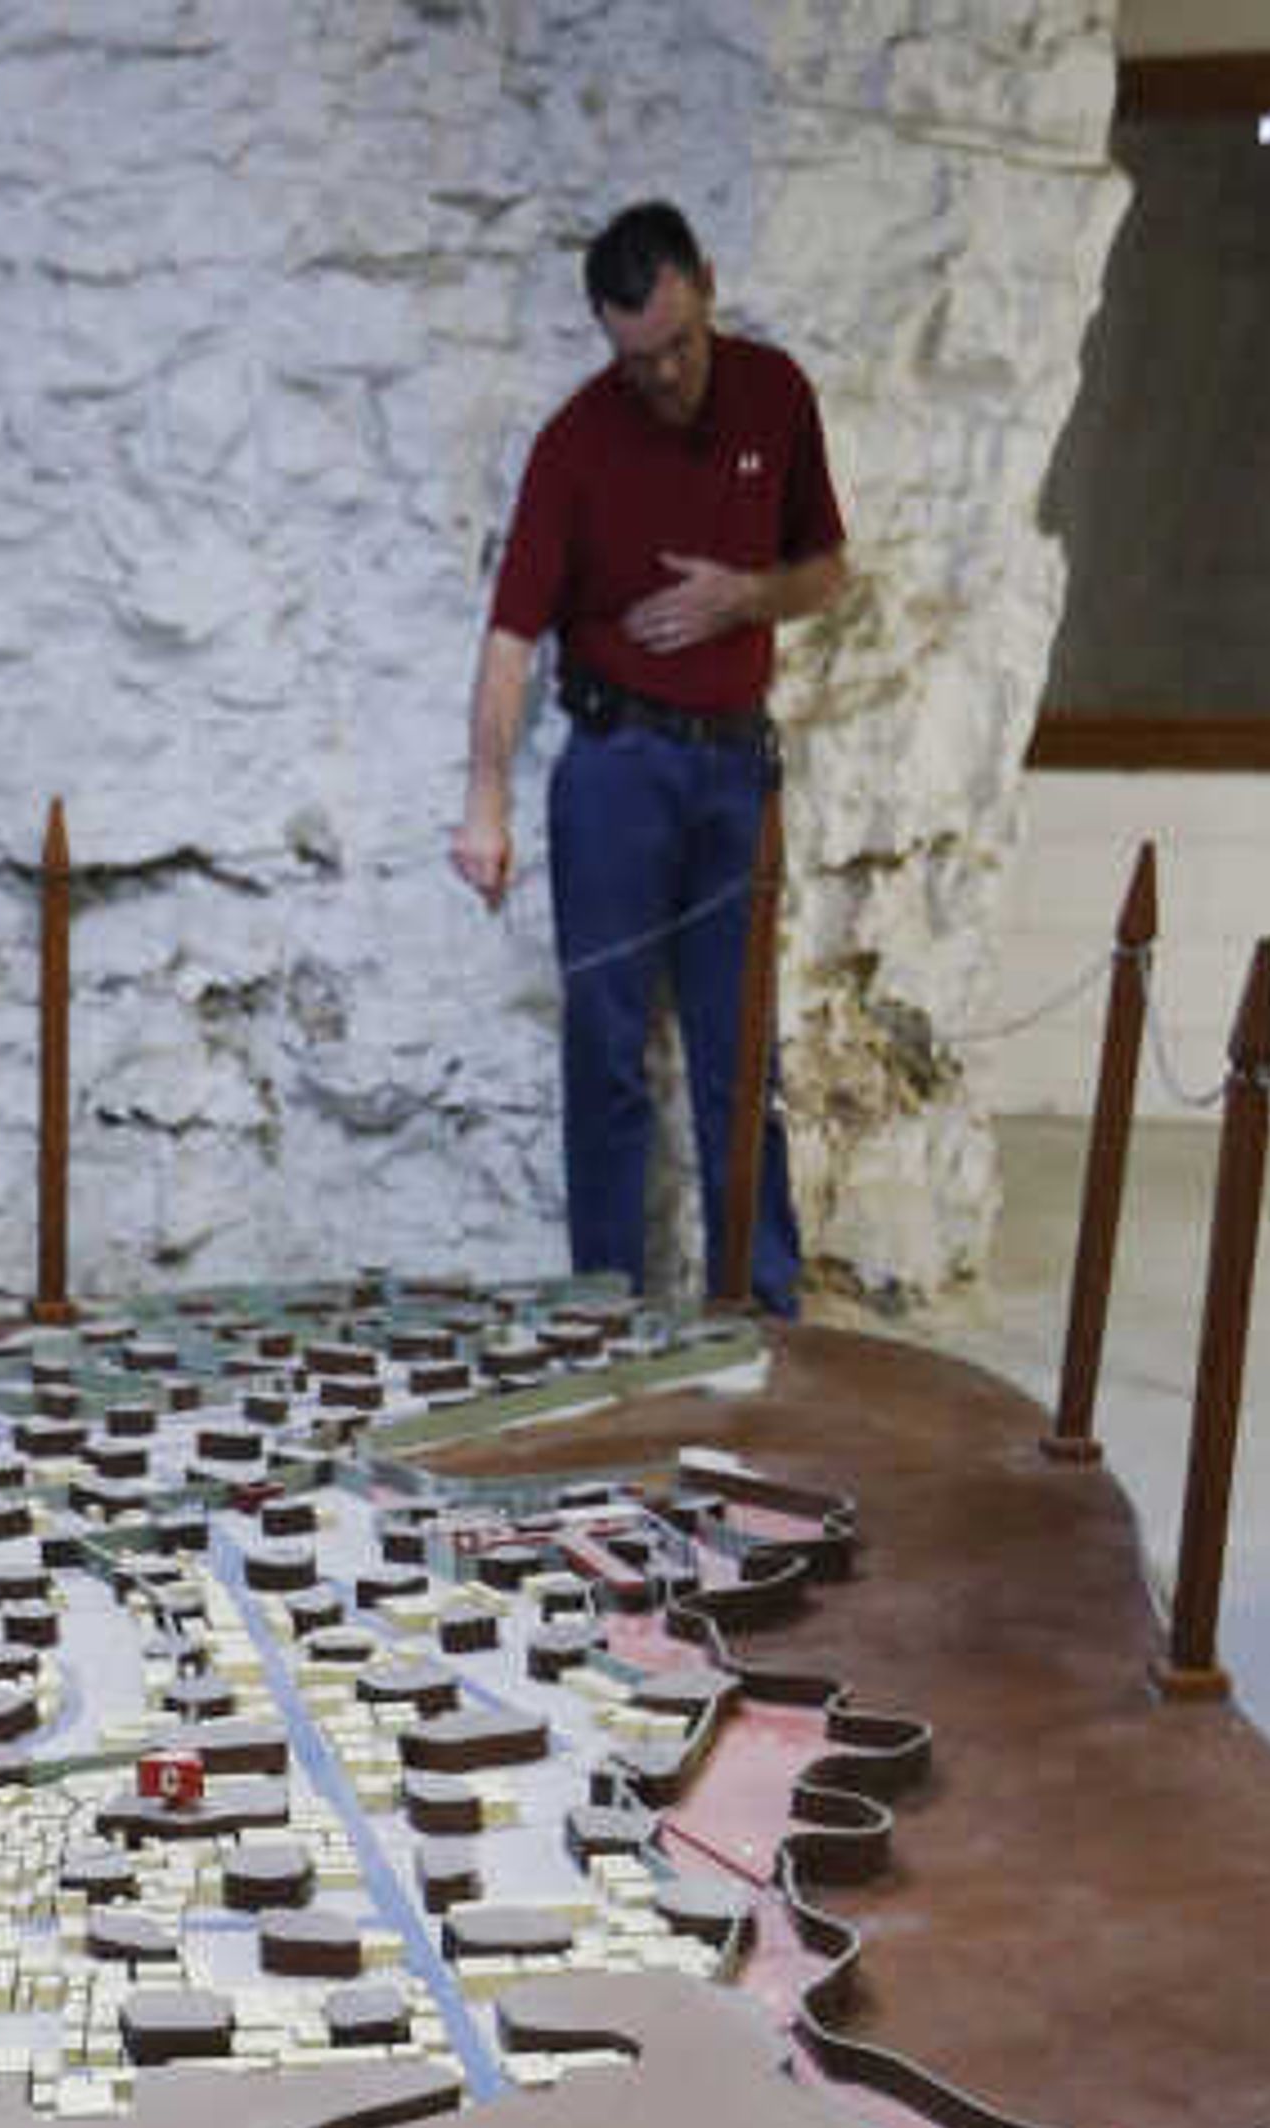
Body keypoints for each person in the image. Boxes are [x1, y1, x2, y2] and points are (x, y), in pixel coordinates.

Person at [451, 202, 855, 1316]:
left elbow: (828, 570)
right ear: (605, 335)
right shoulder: (576, 440)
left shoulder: (776, 393)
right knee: (608, 1052)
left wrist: (748, 595)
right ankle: (603, 1310)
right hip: (616, 772)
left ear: (708, 287)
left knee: (741, 1057)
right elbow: (510, 636)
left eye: (680, 343)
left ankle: (762, 1307)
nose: (666, 373)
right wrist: (483, 802)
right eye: (638, 356)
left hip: (735, 767)